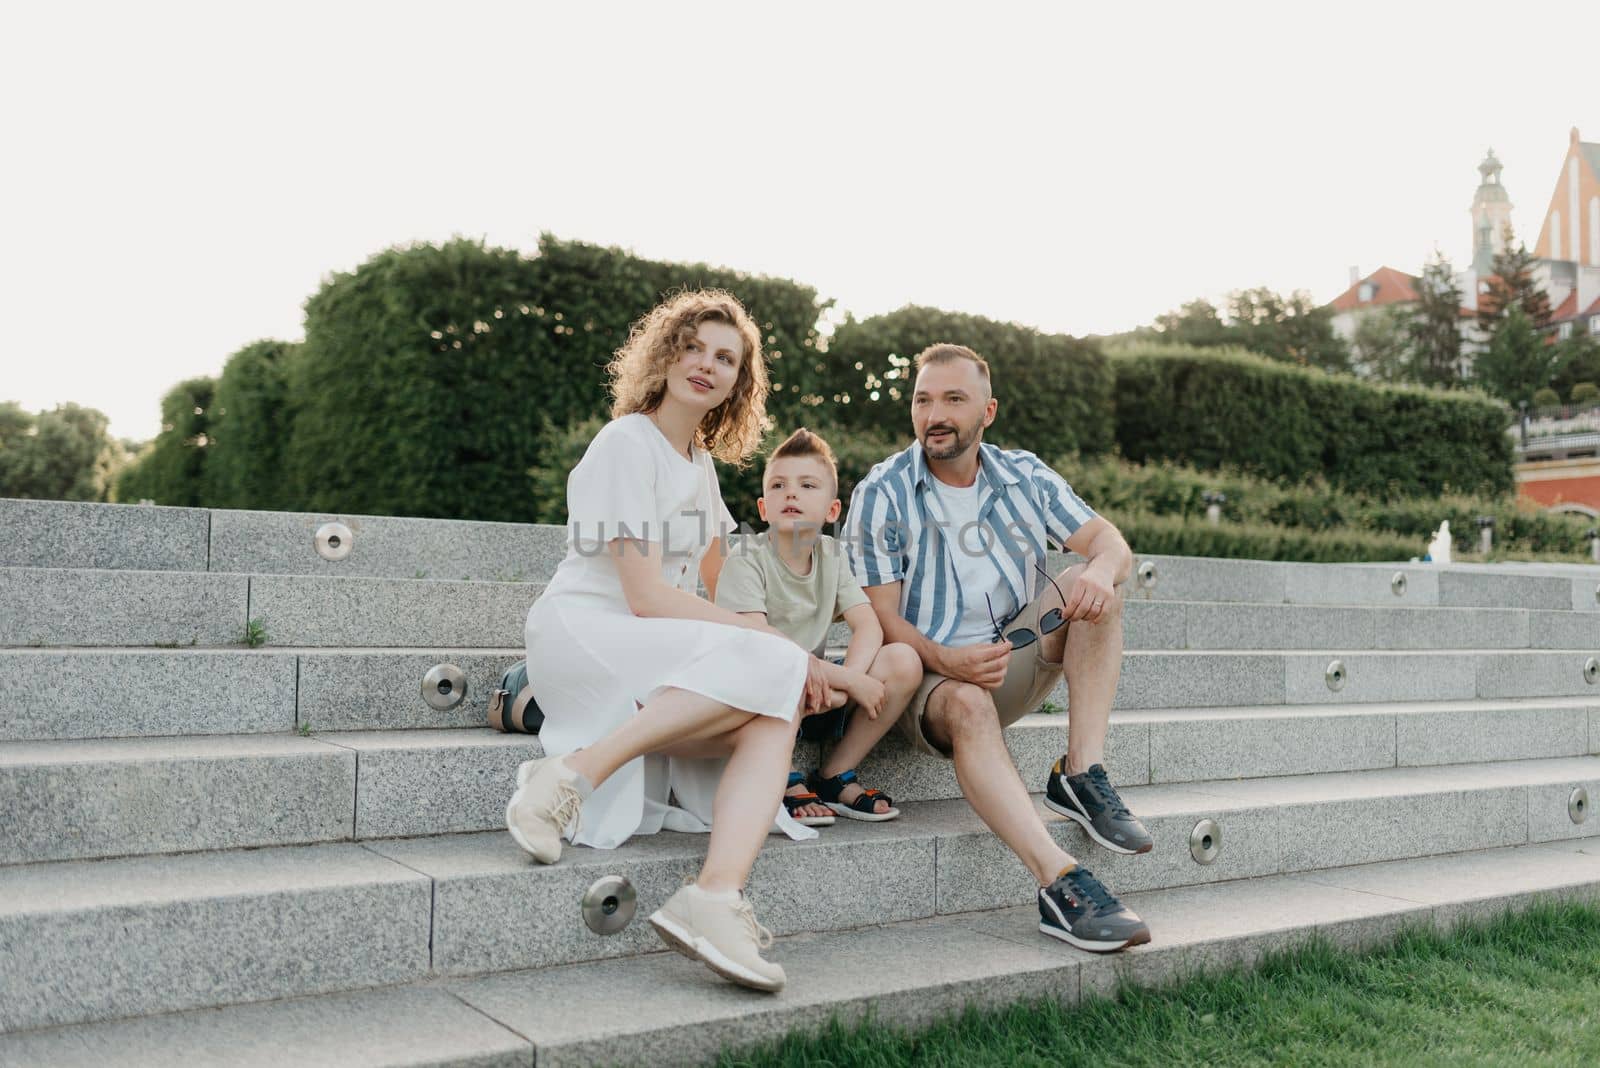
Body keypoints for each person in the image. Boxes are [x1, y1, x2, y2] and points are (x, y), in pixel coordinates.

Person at [507, 289, 838, 994]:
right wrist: (762, 642)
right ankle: (571, 774)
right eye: (694, 347)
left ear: (737, 383)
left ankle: (716, 897)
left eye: (726, 359)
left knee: (774, 700)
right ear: (665, 354)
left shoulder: (701, 464)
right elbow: (645, 594)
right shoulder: (626, 443)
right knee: (773, 664)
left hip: (656, 638)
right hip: (590, 628)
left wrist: (781, 642)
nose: (707, 366)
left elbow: (720, 583)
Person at [844, 343, 1153, 953]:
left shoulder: (1025, 475)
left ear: (987, 411)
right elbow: (880, 622)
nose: (935, 414)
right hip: (929, 685)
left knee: (1099, 588)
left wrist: (1099, 569)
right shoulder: (882, 492)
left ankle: (1082, 773)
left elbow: (1110, 541)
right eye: (923, 399)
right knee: (966, 704)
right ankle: (1059, 880)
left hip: (1010, 660)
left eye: (953, 400)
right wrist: (948, 660)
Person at [714, 427, 922, 824]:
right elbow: (761, 644)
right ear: (763, 508)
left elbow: (870, 627)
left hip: (820, 693)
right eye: (778, 485)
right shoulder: (747, 558)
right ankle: (783, 774)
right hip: (758, 694)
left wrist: (850, 679)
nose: (790, 493)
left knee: (903, 661)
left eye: (807, 485)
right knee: (774, 667)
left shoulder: (832, 555)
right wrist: (845, 681)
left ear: (831, 511)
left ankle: (833, 774)